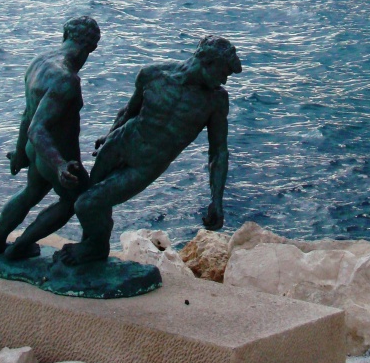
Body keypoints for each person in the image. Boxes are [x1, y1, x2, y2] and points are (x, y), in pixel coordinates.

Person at [55, 36, 241, 267]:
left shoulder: (216, 100)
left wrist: (216, 200)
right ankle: (93, 247)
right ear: (209, 62)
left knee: (87, 204)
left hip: (146, 165)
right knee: (92, 199)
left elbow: (218, 152)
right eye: (224, 73)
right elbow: (129, 111)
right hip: (120, 143)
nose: (225, 80)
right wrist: (110, 134)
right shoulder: (153, 74)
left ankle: (95, 247)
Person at [0, 16, 101, 268]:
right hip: (56, 155)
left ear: (65, 35)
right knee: (77, 202)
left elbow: (28, 114)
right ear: (91, 48)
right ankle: (19, 248)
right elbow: (38, 127)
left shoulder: (39, 63)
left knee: (30, 193)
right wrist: (60, 165)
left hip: (35, 150)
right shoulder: (67, 79)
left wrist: (20, 152)